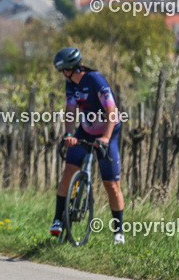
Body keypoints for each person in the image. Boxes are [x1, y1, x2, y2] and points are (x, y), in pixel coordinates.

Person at [50, 47, 126, 244]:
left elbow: (111, 110)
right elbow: (70, 110)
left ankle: (118, 231)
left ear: (70, 68)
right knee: (68, 172)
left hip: (108, 131)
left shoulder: (95, 79)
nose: (62, 74)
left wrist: (106, 138)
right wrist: (69, 134)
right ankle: (58, 220)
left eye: (63, 70)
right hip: (86, 130)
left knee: (111, 185)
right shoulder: (70, 84)